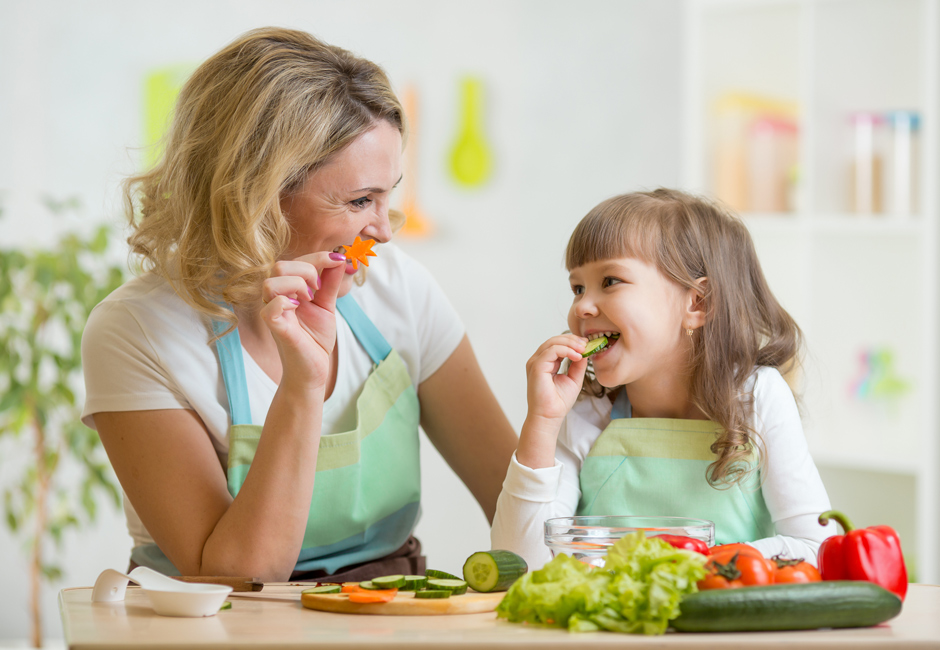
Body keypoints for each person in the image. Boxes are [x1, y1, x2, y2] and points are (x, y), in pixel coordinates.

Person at [81, 27, 517, 582]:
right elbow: (235, 575)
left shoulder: (399, 288)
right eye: (361, 201)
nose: (384, 231)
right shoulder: (136, 331)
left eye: (389, 195)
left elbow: (515, 503)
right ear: (255, 195)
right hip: (219, 623)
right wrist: (302, 387)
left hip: (384, 611)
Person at [491, 188, 836, 570]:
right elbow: (519, 562)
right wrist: (542, 422)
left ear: (697, 303)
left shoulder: (758, 397)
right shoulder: (587, 414)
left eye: (610, 281)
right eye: (577, 287)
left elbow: (816, 548)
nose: (582, 307)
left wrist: (700, 563)